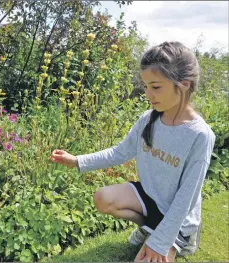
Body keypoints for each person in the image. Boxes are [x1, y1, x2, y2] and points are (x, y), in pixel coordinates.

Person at [50, 41, 215, 262]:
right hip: (149, 197)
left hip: (178, 218)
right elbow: (120, 152)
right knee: (102, 198)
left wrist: (160, 242)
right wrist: (77, 161)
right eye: (146, 86)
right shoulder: (148, 119)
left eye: (155, 87)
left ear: (184, 85)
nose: (148, 94)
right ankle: (148, 227)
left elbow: (186, 197)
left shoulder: (200, 135)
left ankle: (179, 240)